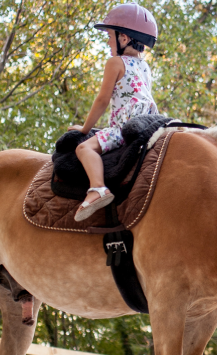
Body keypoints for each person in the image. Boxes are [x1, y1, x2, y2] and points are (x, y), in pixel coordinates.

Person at [69, 3, 159, 221]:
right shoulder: (144, 66)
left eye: (110, 35)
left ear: (124, 38)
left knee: (83, 149)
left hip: (123, 127)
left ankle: (98, 189)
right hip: (150, 121)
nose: (108, 41)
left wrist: (85, 128)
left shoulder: (115, 62)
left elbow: (102, 100)